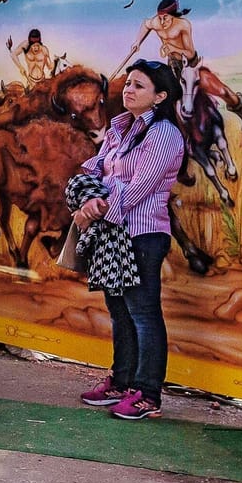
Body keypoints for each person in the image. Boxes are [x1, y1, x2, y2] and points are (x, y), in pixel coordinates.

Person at [75, 60, 186, 422]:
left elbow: (139, 187)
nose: (129, 90)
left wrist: (93, 206)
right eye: (128, 84)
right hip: (114, 232)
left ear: (160, 96)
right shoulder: (121, 127)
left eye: (139, 86)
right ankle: (122, 382)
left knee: (143, 313)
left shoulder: (165, 134)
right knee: (119, 311)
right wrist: (88, 198)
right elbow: (94, 168)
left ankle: (148, 394)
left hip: (143, 234)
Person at [119, 0, 242, 133]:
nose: (162, 22)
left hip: (190, 66)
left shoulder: (183, 25)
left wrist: (172, 49)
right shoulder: (156, 22)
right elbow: (145, 24)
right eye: (160, 17)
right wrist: (138, 42)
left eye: (165, 18)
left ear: (173, 16)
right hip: (173, 65)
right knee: (168, 98)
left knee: (221, 90)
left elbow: (190, 53)